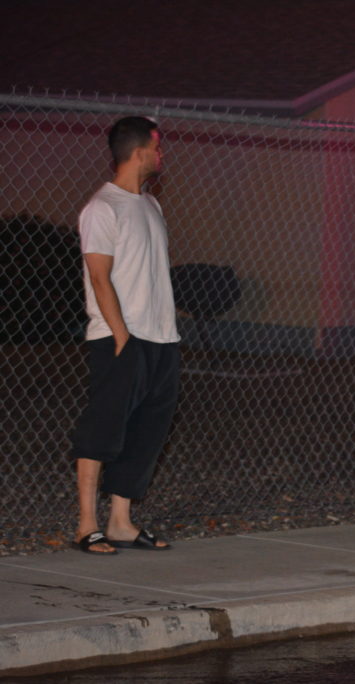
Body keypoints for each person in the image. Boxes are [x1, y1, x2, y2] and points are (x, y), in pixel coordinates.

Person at [71, 116, 181, 554]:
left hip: (161, 337)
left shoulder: (151, 205)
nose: (161, 155)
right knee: (104, 426)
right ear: (138, 153)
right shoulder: (103, 207)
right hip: (121, 336)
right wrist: (121, 336)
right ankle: (86, 525)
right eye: (157, 148)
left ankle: (120, 522)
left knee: (147, 428)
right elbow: (100, 277)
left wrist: (164, 335)